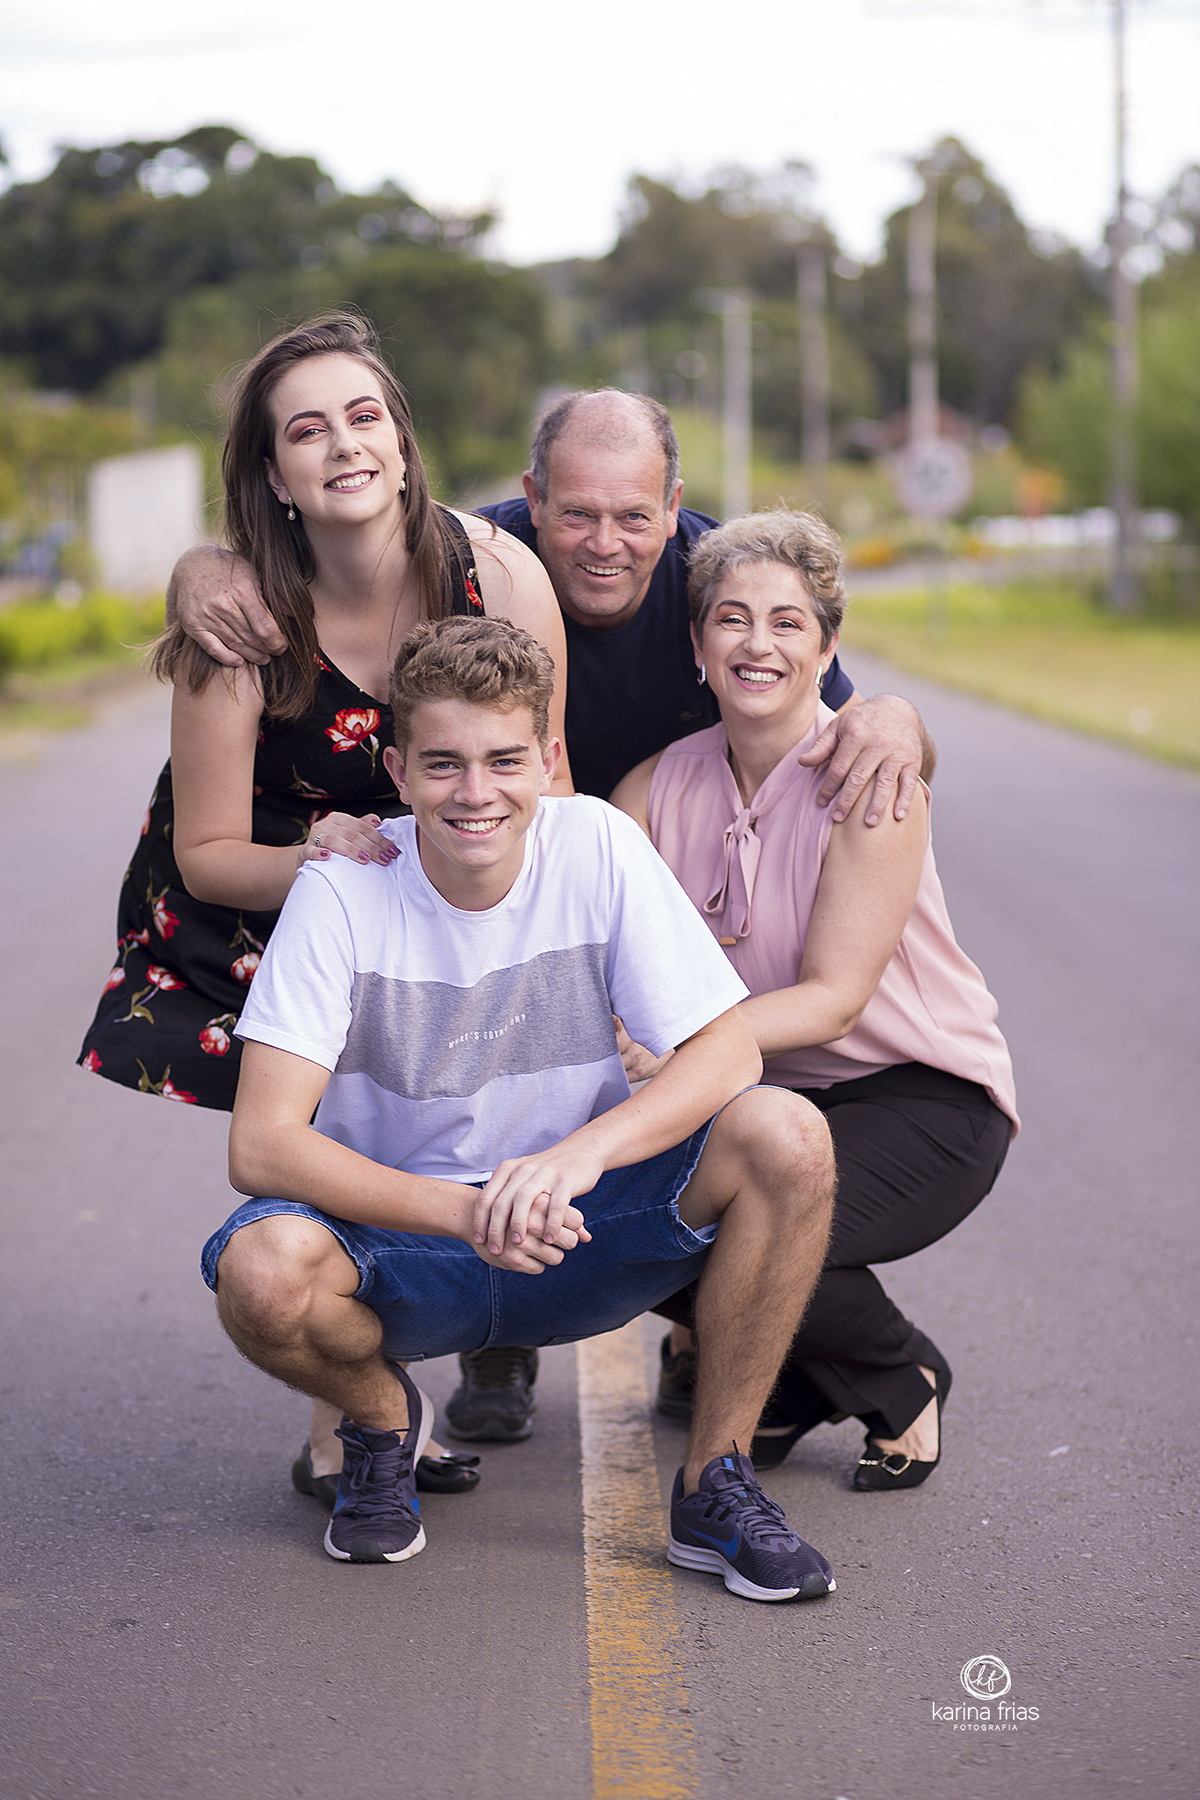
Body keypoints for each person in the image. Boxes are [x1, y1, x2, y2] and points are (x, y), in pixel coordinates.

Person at [166, 386, 936, 1443]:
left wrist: (899, 713)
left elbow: (827, 706)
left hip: (591, 841)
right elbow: (327, 543)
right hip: (470, 834)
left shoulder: (718, 583)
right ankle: (387, 1403)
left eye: (633, 515)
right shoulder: (486, 564)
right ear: (533, 502)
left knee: (679, 1125)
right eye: (576, 512)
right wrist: (201, 567)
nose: (604, 538)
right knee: (437, 1086)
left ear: (674, 512)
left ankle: (725, 1383)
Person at [203, 613, 838, 1603]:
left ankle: (716, 1479)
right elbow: (264, 1145)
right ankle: (378, 1422)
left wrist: (575, 1159)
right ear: (397, 769)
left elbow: (727, 1052)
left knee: (787, 1137)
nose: (476, 792)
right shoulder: (340, 888)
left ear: (547, 760)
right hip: (407, 1249)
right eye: (444, 764)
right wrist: (467, 1212)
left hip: (576, 1227)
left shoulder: (597, 844)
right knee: (260, 1268)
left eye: (505, 760)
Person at [78, 310, 571, 1496]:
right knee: (329, 1146)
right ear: (274, 476)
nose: (344, 445)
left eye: (364, 417)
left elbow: (551, 774)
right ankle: (352, 1420)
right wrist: (317, 858)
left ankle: (479, 1337)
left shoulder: (497, 575)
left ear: (401, 441)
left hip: (462, 878)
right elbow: (204, 854)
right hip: (283, 903)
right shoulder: (234, 623)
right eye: (308, 431)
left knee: (465, 1116)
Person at [609, 510, 1018, 1490]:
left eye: (789, 623)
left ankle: (900, 1373)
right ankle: (797, 1381)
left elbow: (834, 1001)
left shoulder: (873, 776)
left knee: (736, 1232)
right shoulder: (652, 788)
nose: (758, 644)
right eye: (733, 619)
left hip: (920, 1096)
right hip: (762, 1100)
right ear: (699, 642)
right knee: (622, 1232)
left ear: (828, 647)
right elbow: (597, 951)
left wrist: (669, 1047)